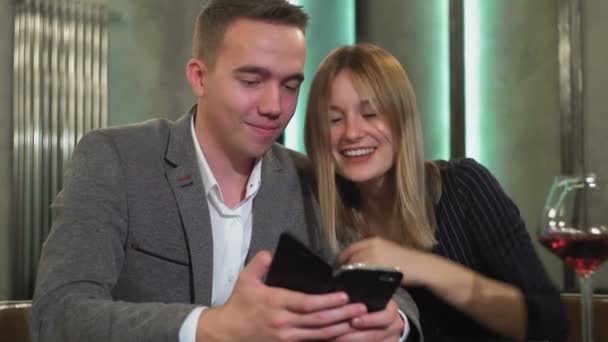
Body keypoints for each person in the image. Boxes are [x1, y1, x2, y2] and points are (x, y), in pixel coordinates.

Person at [31, 2, 419, 341]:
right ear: (199, 77)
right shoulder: (117, 158)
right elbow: (59, 314)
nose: (274, 106)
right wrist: (209, 328)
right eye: (252, 81)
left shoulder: (310, 180)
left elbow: (385, 287)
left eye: (289, 85)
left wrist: (393, 322)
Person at [304, 43, 567, 341]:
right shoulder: (319, 212)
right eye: (335, 119)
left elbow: (548, 321)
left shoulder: (465, 186)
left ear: (402, 120)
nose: (352, 132)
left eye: (371, 113)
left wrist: (419, 266)